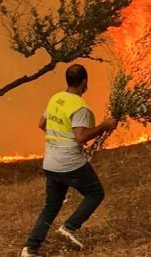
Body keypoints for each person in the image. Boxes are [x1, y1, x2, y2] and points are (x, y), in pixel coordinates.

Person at [21, 64, 118, 257]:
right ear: (84, 82)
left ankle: (29, 249)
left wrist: (59, 137)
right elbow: (81, 137)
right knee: (95, 193)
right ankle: (69, 228)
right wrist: (105, 125)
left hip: (50, 162)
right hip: (69, 162)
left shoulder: (56, 98)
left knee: (51, 206)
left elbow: (42, 124)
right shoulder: (79, 106)